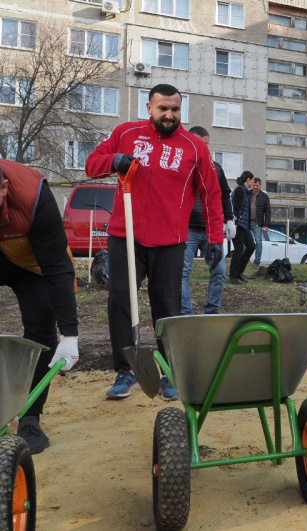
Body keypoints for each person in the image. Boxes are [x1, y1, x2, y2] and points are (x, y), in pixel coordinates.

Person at [85, 83, 223, 400]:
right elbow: (92, 164)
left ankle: (169, 371)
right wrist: (114, 160)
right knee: (120, 300)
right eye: (163, 108)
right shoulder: (126, 133)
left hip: (170, 241)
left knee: (168, 306)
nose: (169, 115)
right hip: (126, 236)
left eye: (175, 109)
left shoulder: (194, 147)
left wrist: (215, 238)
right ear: (149, 108)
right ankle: (126, 370)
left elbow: (211, 194)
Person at [0, 159, 80, 453]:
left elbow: (57, 268)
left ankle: (30, 417)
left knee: (41, 325)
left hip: (31, 264)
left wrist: (69, 333)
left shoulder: (33, 195)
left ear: (4, 189)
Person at [181, 126, 236, 315]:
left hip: (210, 230)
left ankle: (212, 310)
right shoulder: (181, 166)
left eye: (206, 144)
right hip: (187, 229)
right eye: (200, 143)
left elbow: (224, 194)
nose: (203, 148)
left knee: (219, 270)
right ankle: (185, 314)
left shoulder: (215, 168)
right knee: (183, 272)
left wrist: (229, 219)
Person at [229, 171, 256, 284]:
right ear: (248, 179)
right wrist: (235, 222)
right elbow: (236, 207)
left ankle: (239, 272)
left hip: (244, 225)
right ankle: (233, 276)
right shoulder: (239, 190)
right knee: (238, 249)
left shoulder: (245, 191)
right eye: (252, 180)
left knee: (251, 246)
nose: (253, 182)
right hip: (238, 224)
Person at [250, 177, 271, 269]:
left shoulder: (264, 196)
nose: (255, 187)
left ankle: (257, 262)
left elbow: (268, 211)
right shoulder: (248, 194)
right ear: (252, 185)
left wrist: (266, 225)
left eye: (257, 185)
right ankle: (244, 260)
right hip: (246, 222)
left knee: (258, 242)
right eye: (254, 185)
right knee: (244, 242)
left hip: (257, 223)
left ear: (260, 185)